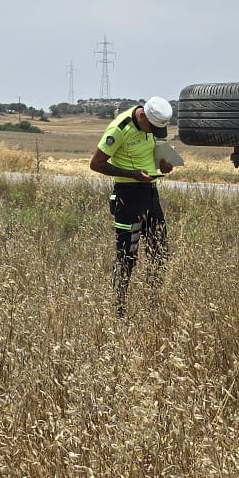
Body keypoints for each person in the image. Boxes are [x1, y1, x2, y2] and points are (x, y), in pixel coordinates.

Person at [90, 96, 176, 314]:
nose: (155, 133)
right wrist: (133, 175)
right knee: (127, 256)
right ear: (143, 116)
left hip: (151, 194)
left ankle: (153, 306)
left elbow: (153, 149)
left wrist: (163, 163)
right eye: (153, 128)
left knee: (159, 251)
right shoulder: (119, 129)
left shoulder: (154, 125)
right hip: (127, 197)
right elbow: (96, 164)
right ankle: (118, 309)